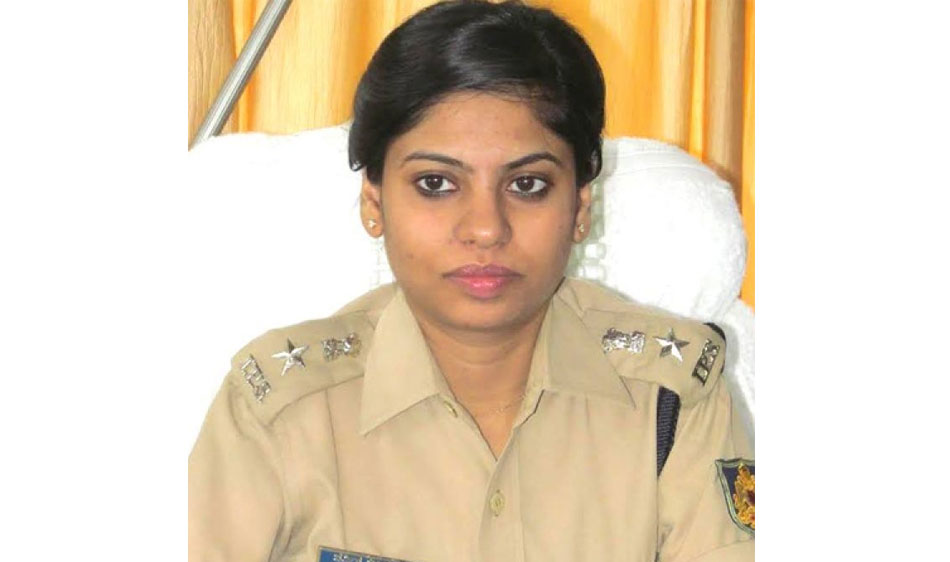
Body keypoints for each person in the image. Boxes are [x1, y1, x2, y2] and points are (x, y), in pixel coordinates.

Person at [188, 1, 754, 561]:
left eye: (527, 185)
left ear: (580, 208)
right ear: (374, 203)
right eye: (436, 183)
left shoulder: (671, 399)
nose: (485, 229)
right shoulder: (280, 411)